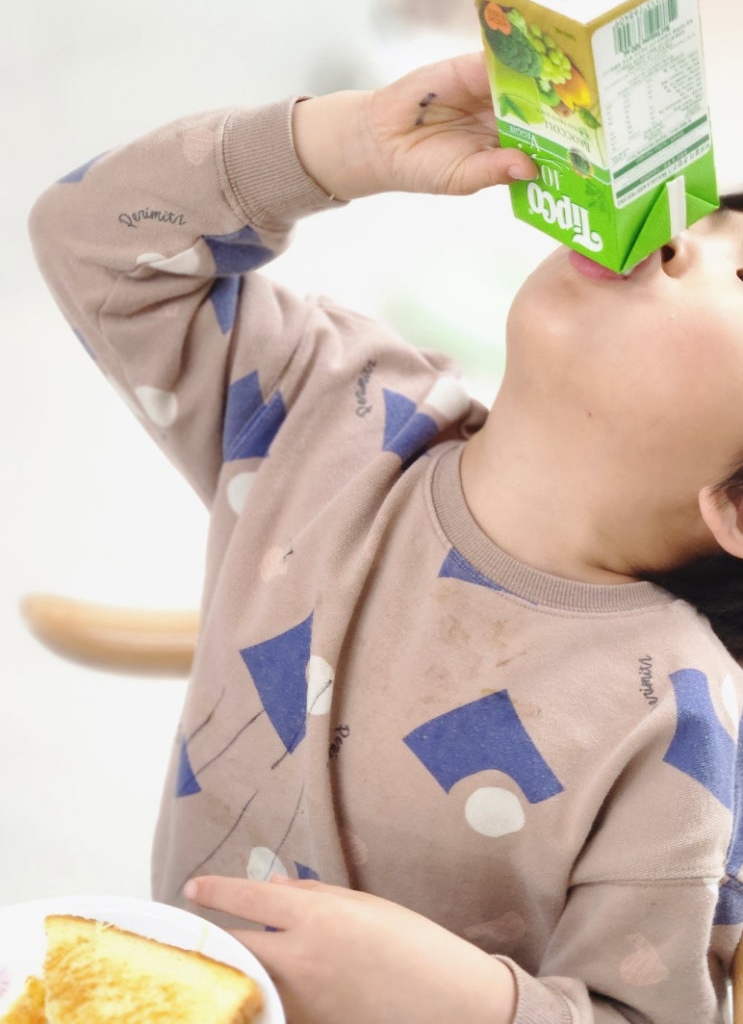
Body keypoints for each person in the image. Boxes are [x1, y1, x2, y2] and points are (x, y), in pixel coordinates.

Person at [28, 51, 743, 1024]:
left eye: (736, 268)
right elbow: (87, 238)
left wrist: (468, 1000)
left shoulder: (681, 722)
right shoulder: (334, 403)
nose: (669, 231)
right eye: (701, 214)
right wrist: (338, 144)